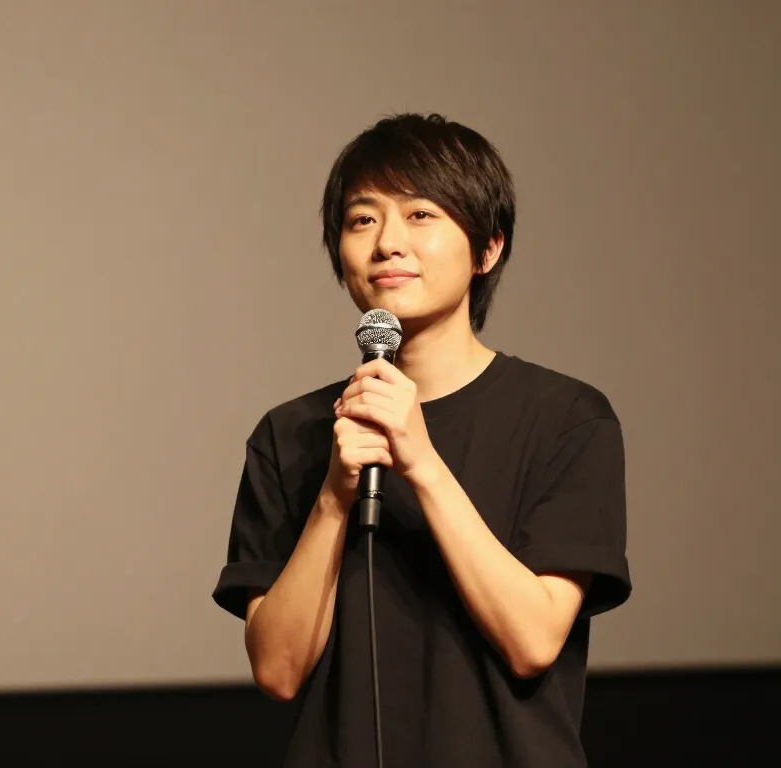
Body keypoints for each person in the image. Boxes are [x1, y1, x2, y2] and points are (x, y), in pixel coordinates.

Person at [211, 113, 631, 767]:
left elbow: (533, 641)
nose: (387, 243)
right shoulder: (290, 435)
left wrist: (424, 463)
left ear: (488, 249)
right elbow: (278, 670)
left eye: (420, 214)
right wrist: (334, 497)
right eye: (362, 219)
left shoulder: (567, 420)